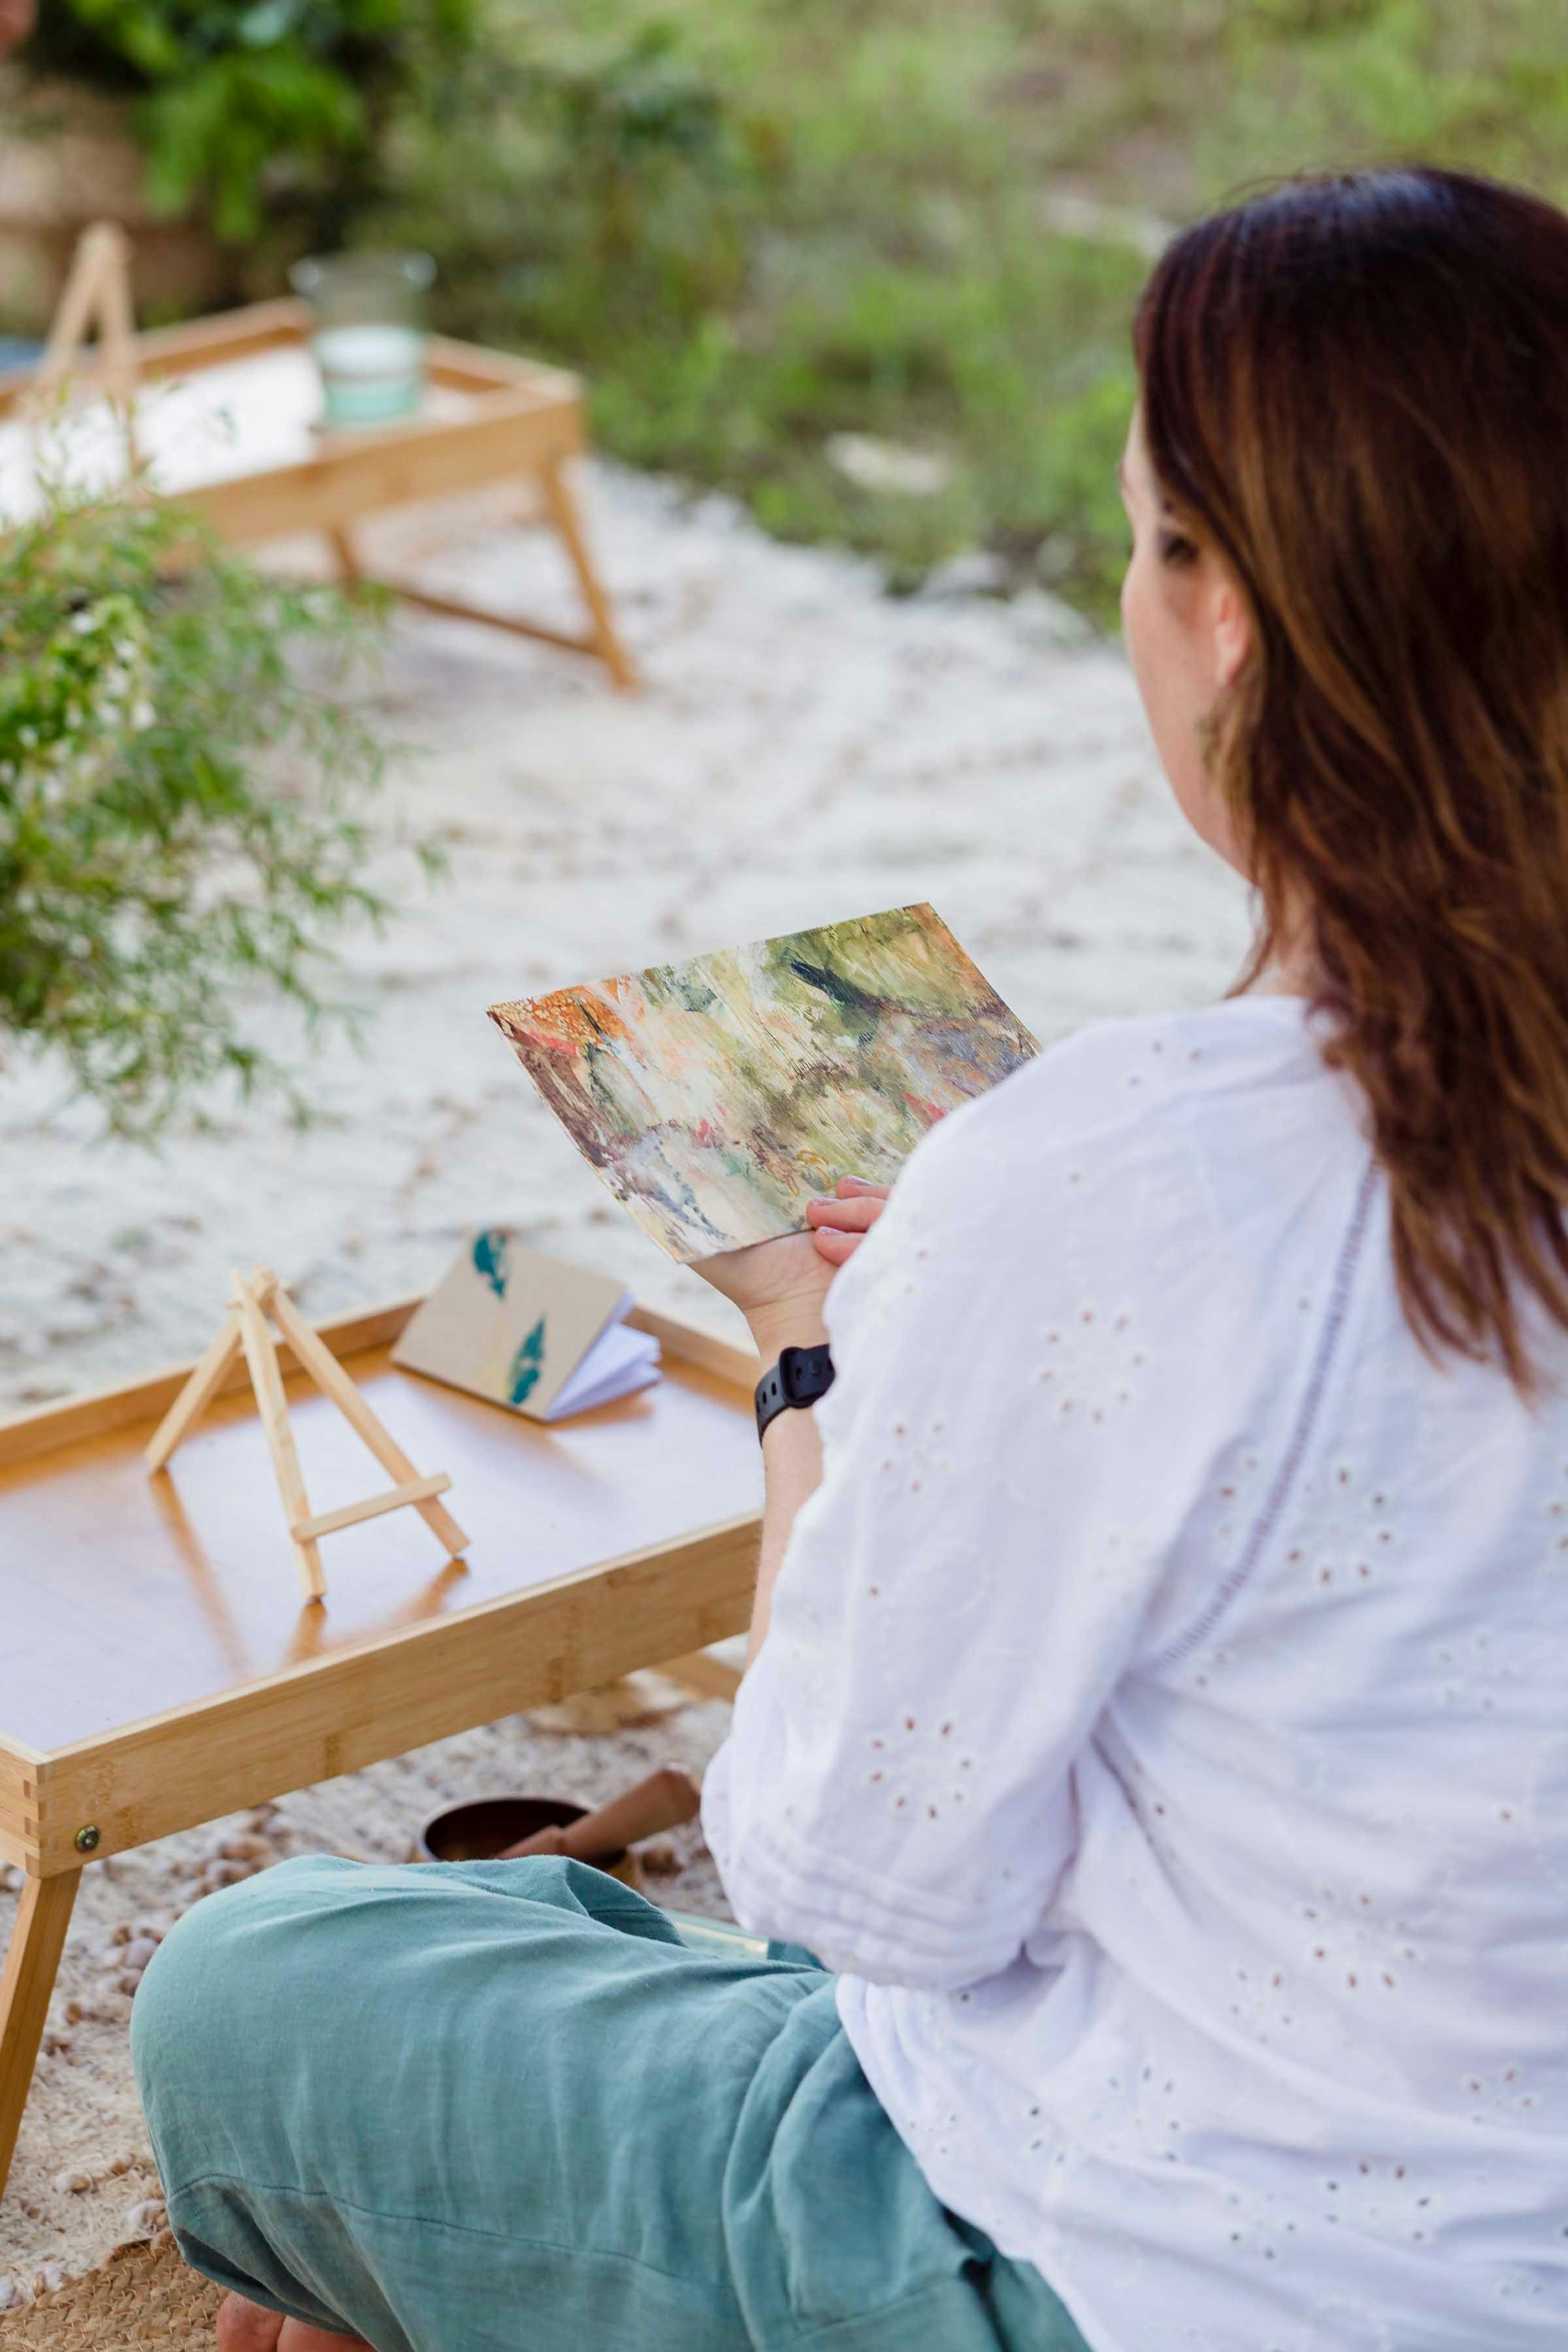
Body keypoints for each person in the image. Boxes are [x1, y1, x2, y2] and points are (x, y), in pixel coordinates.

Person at [133, 166, 1568, 2352]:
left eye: (1142, 536)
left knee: (258, 1986)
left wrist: (818, 1365)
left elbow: (849, 1881)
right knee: (569, 1955)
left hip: (1137, 2277)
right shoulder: (1137, 1177)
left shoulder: (1112, 1174)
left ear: (1226, 619)